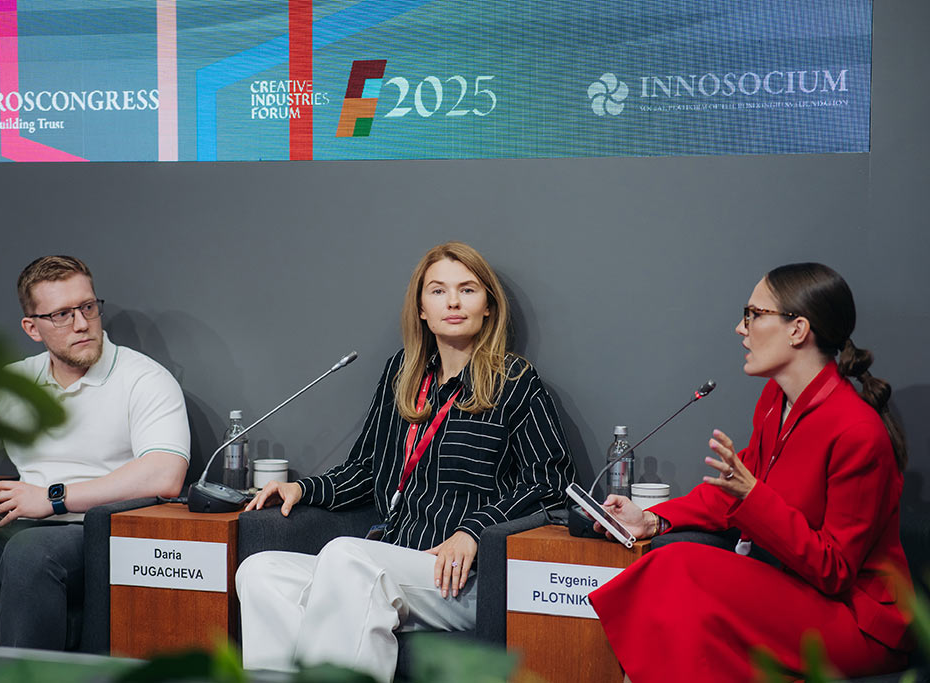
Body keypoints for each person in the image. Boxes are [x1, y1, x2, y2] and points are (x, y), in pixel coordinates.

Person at [235, 241, 575, 681]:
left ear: (489, 306)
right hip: (394, 559)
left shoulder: (514, 380)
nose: (453, 302)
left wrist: (474, 531)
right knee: (261, 571)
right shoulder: (404, 373)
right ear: (421, 309)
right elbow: (367, 469)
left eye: (467, 290)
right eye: (438, 291)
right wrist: (302, 488)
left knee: (347, 557)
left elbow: (551, 481)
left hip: (461, 578)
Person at [589, 263, 912, 682]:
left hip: (855, 619)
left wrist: (753, 495)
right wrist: (651, 519)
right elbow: (730, 493)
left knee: (678, 568)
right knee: (677, 583)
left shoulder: (857, 432)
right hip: (793, 591)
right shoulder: (774, 401)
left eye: (754, 315)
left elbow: (834, 571)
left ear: (798, 330)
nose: (741, 329)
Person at [0, 255, 190, 650]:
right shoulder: (18, 381)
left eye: (87, 307)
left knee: (29, 553)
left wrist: (53, 498)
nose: (82, 324)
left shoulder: (143, 378)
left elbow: (164, 473)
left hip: (96, 531)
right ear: (32, 328)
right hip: (17, 529)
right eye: (62, 315)